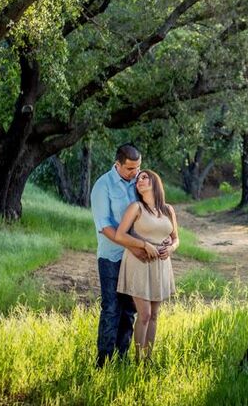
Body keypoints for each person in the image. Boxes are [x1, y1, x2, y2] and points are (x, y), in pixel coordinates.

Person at [90, 144, 149, 368]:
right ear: (118, 164)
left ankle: (121, 358)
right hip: (111, 257)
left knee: (129, 310)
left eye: (138, 168)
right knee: (111, 308)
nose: (135, 173)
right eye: (130, 169)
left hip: (135, 259)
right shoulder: (102, 186)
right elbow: (105, 227)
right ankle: (103, 361)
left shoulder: (139, 181)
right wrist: (134, 245)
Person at [113, 169, 179, 363]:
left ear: (155, 182)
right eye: (137, 179)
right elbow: (120, 235)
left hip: (161, 264)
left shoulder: (168, 210)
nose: (139, 181)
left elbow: (176, 239)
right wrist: (144, 244)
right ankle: (138, 359)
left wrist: (172, 249)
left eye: (144, 177)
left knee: (155, 314)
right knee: (144, 314)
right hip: (139, 263)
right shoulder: (136, 208)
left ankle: (148, 359)